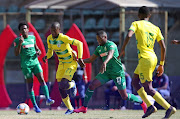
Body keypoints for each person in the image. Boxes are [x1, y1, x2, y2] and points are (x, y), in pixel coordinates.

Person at [119, 6, 176, 118]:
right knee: (135, 81)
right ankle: (150, 106)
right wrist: (161, 64)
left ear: (138, 15)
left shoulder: (136, 24)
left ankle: (169, 108)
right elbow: (163, 47)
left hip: (145, 59)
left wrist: (123, 49)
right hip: (152, 58)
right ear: (149, 16)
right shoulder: (156, 28)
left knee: (148, 88)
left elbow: (129, 35)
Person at [74, 30, 147, 114]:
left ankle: (142, 102)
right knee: (91, 86)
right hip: (107, 72)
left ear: (105, 37)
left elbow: (110, 54)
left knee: (124, 96)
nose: (98, 41)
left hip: (117, 73)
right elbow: (90, 59)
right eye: (97, 39)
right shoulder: (99, 48)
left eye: (99, 39)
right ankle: (84, 107)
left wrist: (105, 62)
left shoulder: (111, 45)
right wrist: (79, 61)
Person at [42, 22, 85, 115]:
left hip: (70, 63)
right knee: (61, 87)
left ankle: (72, 84)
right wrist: (46, 57)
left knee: (64, 83)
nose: (53, 32)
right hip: (61, 64)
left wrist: (80, 58)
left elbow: (79, 43)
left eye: (55, 30)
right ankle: (70, 108)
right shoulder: (49, 39)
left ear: (59, 30)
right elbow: (50, 52)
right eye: (51, 30)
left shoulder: (63, 38)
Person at [14, 22, 54, 113]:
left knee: (42, 79)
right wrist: (20, 44)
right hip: (26, 65)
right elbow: (16, 54)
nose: (24, 30)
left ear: (28, 29)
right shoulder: (17, 40)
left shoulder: (33, 38)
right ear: (19, 31)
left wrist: (39, 51)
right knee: (30, 85)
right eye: (22, 29)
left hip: (35, 62)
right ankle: (35, 106)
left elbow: (37, 48)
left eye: (25, 28)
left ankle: (48, 99)